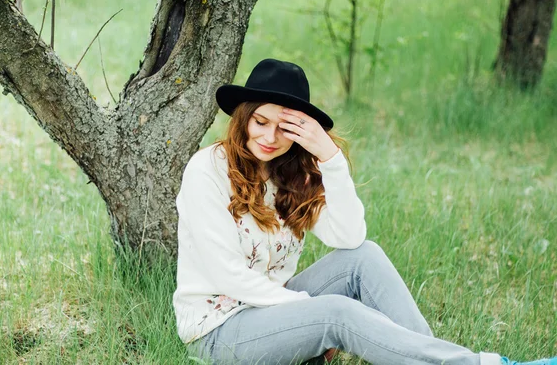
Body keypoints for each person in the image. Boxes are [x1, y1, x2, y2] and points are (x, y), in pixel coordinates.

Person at [172, 59, 556, 365]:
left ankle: (429, 357)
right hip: (219, 331)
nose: (270, 138)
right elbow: (228, 275)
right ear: (243, 116)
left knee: (364, 257)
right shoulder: (207, 170)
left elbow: (350, 238)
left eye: (285, 129)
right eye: (261, 122)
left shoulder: (288, 173)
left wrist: (330, 157)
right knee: (336, 313)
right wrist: (311, 312)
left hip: (274, 306)